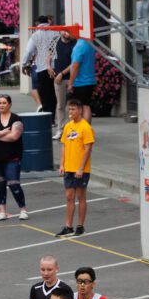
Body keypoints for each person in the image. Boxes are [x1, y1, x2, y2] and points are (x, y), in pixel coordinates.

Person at [0, 94, 28, 221]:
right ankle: (2, 211)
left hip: (12, 157)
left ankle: (23, 209)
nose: (1, 105)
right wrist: (3, 132)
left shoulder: (16, 119)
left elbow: (14, 137)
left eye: (4, 103)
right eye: (0, 103)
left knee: (14, 184)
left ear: (9, 104)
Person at [57, 98, 94, 236]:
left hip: (81, 169)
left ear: (80, 110)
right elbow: (64, 146)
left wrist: (80, 168)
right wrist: (62, 164)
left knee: (81, 196)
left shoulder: (85, 127)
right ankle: (68, 225)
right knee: (69, 196)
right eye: (69, 109)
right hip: (69, 168)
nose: (70, 112)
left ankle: (80, 225)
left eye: (73, 109)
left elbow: (87, 149)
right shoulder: (68, 126)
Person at [23, 16, 57, 119]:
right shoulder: (55, 33)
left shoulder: (36, 35)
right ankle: (53, 116)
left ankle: (48, 118)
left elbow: (28, 51)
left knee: (44, 94)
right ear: (48, 22)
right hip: (56, 67)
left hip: (42, 68)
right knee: (53, 93)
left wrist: (24, 64)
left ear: (37, 23)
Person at [51, 30, 77, 138]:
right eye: (64, 31)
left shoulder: (74, 43)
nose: (66, 34)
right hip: (58, 78)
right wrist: (48, 67)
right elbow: (49, 55)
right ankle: (60, 130)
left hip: (70, 77)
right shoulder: (55, 42)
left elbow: (74, 63)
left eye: (68, 32)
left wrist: (62, 73)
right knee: (60, 105)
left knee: (71, 105)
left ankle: (72, 129)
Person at [67, 35, 97, 119]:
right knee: (86, 106)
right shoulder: (89, 44)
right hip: (90, 80)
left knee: (78, 107)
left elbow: (75, 65)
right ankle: (86, 130)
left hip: (80, 82)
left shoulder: (79, 46)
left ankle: (81, 129)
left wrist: (71, 83)